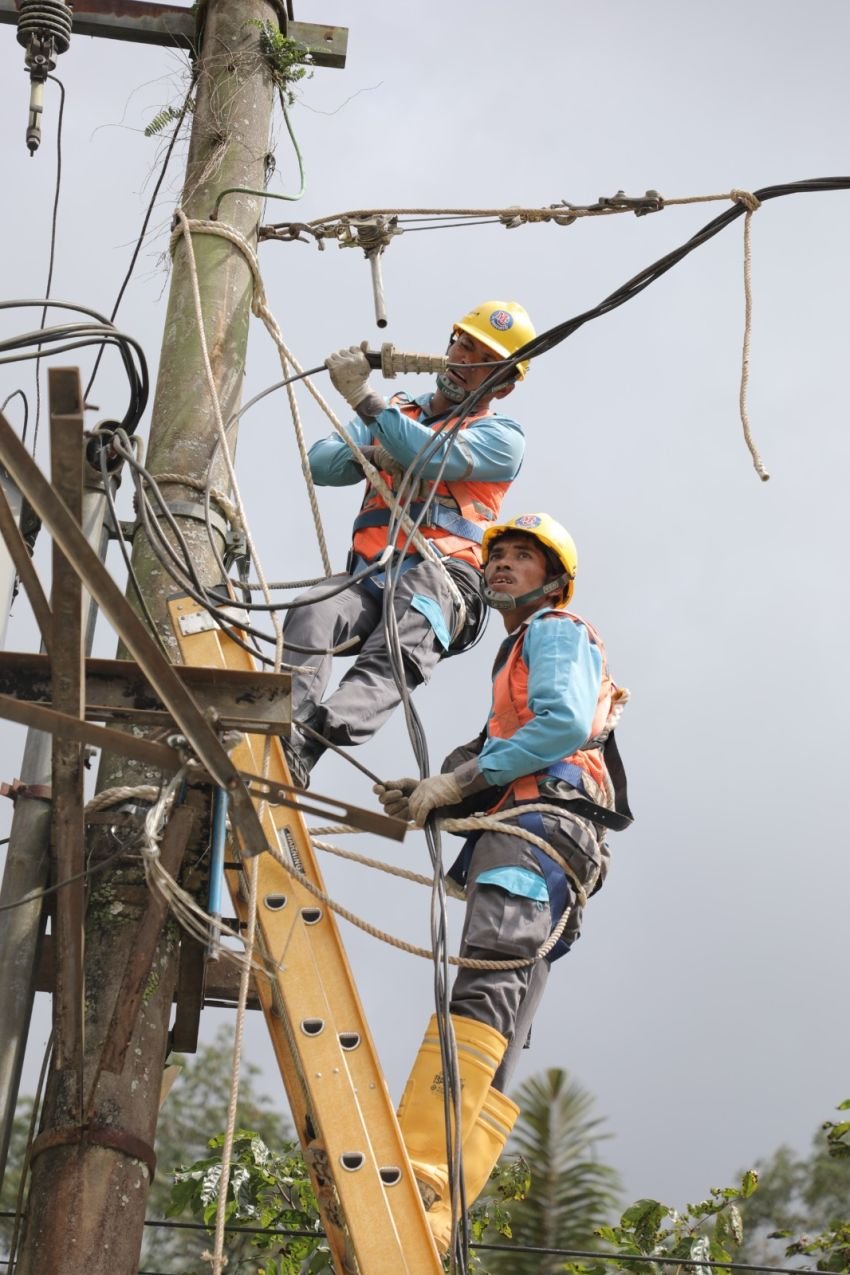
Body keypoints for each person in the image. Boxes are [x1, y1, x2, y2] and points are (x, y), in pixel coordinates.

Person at [376, 511, 633, 1253]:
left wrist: (458, 780)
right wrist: (439, 788)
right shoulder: (519, 654)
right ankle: (443, 1201)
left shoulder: (554, 632)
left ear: (552, 580)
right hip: (553, 844)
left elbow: (556, 726)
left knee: (485, 979)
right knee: (507, 1007)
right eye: (498, 555)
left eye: (523, 557)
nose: (501, 565)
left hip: (537, 831)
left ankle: (425, 1172)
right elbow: (503, 743)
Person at [281, 300, 536, 787]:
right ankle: (284, 728)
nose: (465, 361)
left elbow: (426, 454)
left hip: (442, 578)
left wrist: (363, 398)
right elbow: (320, 463)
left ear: (502, 384)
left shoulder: (501, 437)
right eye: (463, 345)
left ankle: (310, 742)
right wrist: (375, 453)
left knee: (395, 649)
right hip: (369, 576)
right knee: (314, 607)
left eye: (483, 359)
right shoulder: (400, 412)